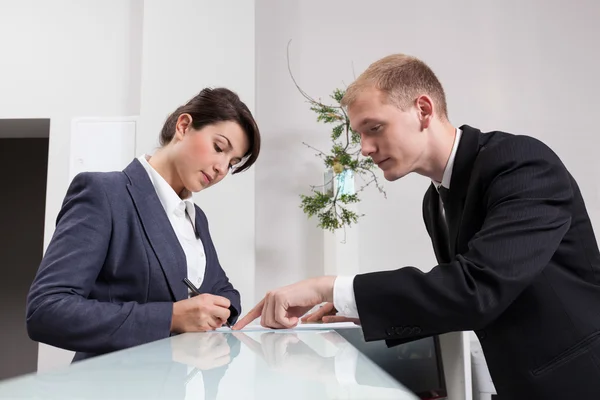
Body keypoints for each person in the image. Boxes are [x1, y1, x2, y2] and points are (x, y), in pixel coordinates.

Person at [233, 55, 600, 399]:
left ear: (423, 110)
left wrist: (326, 286)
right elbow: (459, 298)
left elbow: (477, 290)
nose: (364, 148)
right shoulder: (434, 200)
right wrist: (361, 307)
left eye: (374, 128)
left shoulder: (521, 162)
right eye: (360, 134)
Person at [26, 87, 260, 362]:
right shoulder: (105, 194)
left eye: (232, 163)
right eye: (219, 148)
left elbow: (223, 290)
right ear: (184, 126)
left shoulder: (195, 218)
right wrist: (172, 317)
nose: (221, 168)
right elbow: (46, 311)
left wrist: (220, 309)